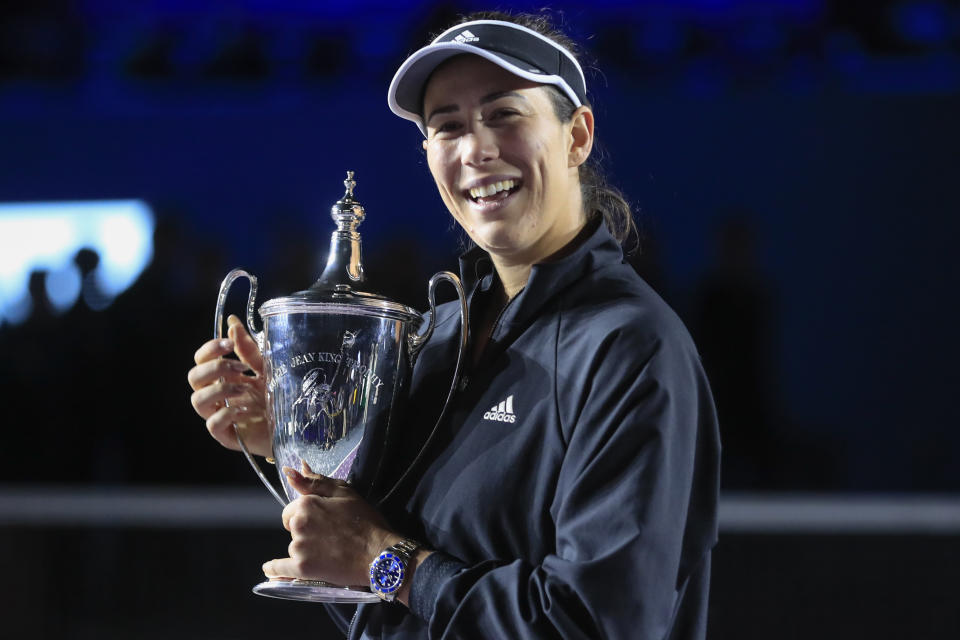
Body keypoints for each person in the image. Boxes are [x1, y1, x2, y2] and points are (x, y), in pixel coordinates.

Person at [188, 11, 720, 639]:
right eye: (448, 126)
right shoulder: (438, 338)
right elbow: (374, 593)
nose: (476, 149)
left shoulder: (629, 347)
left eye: (504, 115)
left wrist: (389, 563)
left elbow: (598, 624)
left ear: (577, 136)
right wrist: (298, 442)